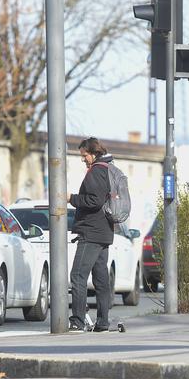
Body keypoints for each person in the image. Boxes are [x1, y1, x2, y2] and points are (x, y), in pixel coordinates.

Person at [67, 137, 114, 333]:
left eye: (84, 155)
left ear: (93, 153)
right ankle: (102, 322)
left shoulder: (96, 171)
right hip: (104, 232)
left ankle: (77, 321)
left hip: (91, 233)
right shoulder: (109, 168)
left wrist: (72, 198)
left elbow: (94, 200)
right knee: (101, 280)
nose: (83, 159)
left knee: (77, 276)